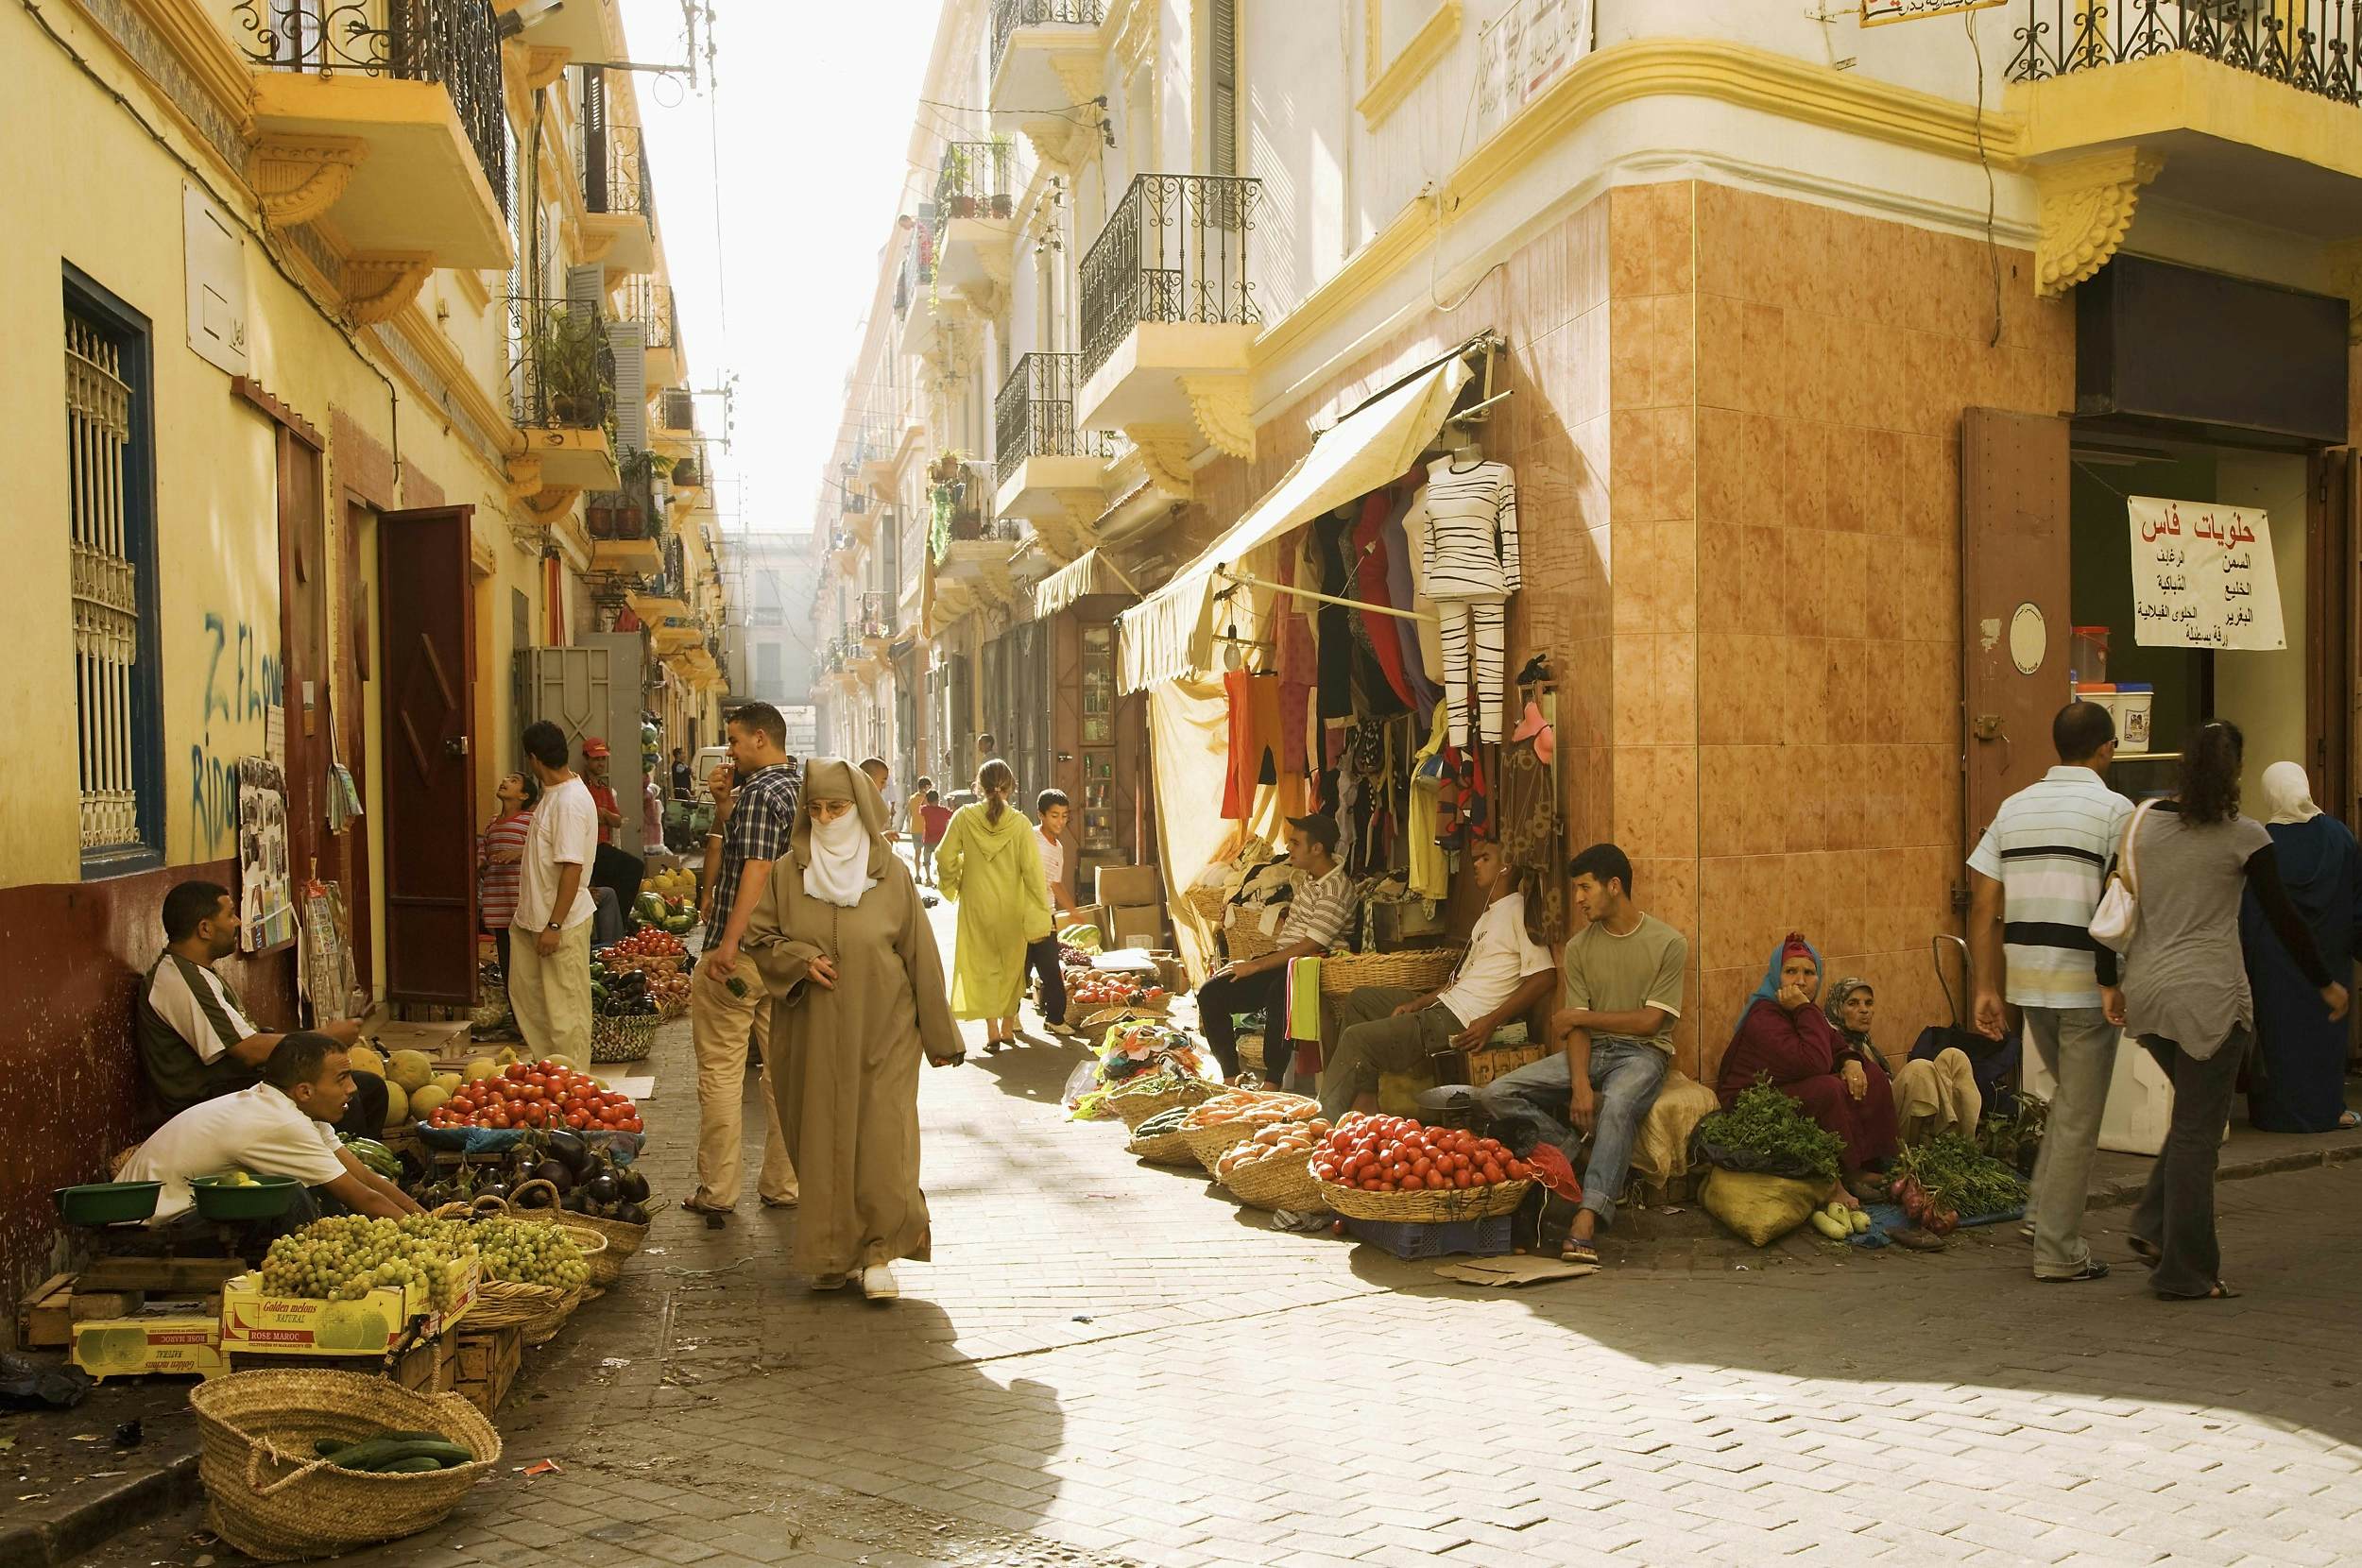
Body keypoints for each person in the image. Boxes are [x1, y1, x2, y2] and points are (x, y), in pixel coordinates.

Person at [2097, 722, 2347, 1301]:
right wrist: (2325, 984)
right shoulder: (2246, 837)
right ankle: (2185, 1270)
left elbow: (2109, 897)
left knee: (2193, 1121)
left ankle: (2154, 1225)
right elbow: (2285, 919)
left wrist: (2108, 982)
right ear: (2234, 774)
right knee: (2197, 1134)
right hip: (2211, 1003)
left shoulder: (2142, 822)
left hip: (2150, 995)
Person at [743, 759, 964, 1300]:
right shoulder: (787, 875)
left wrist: (941, 1037)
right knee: (818, 1142)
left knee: (884, 1140)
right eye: (815, 809)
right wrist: (797, 959)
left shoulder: (891, 876)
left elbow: (921, 956)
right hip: (811, 1036)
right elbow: (760, 938)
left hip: (885, 1032)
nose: (825, 818)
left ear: (859, 810)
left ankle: (879, 1252)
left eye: (836, 808)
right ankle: (831, 1254)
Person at [1967, 700, 2132, 1284]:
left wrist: (1986, 986)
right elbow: (2124, 897)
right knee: (2081, 1114)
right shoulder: (2116, 810)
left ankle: (2042, 1214)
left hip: (2028, 978)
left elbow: (1985, 902)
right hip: (2087, 982)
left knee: (2068, 1101)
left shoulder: (2014, 807)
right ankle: (2059, 1251)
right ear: (2106, 748)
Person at [1478, 844, 1684, 1266]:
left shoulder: (1668, 943)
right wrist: (1580, 1086)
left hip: (1643, 1055)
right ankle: (1576, 1154)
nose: (1578, 899)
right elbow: (1575, 1029)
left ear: (1614, 886)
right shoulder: (1579, 948)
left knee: (1620, 1104)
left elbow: (1649, 1023)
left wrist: (1581, 1017)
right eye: (1576, 889)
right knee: (1495, 1093)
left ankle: (1588, 1216)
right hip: (1592, 1052)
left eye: (1585, 887)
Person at [1322, 838, 1556, 1121]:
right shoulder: (1488, 918)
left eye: (1485, 859)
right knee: (1361, 1000)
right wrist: (1419, 1002)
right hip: (1444, 1006)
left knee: (1356, 1039)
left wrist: (1490, 1022)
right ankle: (1368, 1099)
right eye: (1475, 860)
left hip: (1461, 1019)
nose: (1476, 866)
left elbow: (1545, 976)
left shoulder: (1519, 910)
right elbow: (1459, 979)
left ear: (1506, 866)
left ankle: (1322, 1122)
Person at [137, 880, 384, 1138]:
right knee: (339, 1099)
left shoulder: (198, 972)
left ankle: (373, 1167)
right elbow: (249, 1050)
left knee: (368, 1089)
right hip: (210, 1100)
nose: (237, 923)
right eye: (230, 914)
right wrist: (325, 1037)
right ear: (205, 928)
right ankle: (336, 1176)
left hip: (237, 1086)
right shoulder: (179, 979)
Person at [123, 1033, 422, 1235]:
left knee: (311, 1194)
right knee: (294, 1196)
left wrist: (427, 1218)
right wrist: (429, 1240)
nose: (353, 1089)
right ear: (305, 1090)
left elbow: (366, 1178)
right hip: (147, 1228)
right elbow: (362, 1197)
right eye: (342, 1079)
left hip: (182, 1214)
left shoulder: (292, 1107)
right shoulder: (280, 1122)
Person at [686, 701, 802, 1218]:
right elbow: (763, 849)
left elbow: (755, 870)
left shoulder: (759, 792)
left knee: (720, 1074)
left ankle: (718, 1191)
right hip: (786, 957)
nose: (729, 751)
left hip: (742, 956)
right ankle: (784, 1183)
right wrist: (722, 804)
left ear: (760, 738)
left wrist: (727, 945)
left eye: (733, 741)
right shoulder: (800, 790)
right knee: (783, 1075)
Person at [1717, 935, 1896, 1196]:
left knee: (1873, 1073)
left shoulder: (1807, 1011)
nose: (1800, 981)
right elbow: (1813, 1063)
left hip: (1791, 1087)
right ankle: (1846, 1173)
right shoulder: (1764, 1016)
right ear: (1776, 976)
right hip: (1753, 1103)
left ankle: (1877, 1162)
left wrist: (1851, 1062)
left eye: (1809, 973)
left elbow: (1835, 1046)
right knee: (1826, 1088)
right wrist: (1804, 1008)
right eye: (1790, 972)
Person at [2242, 760, 2361, 1133]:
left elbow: (2251, 909)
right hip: (2330, 955)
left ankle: (2277, 1112)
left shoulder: (2261, 842)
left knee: (2280, 1035)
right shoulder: (2339, 836)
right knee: (2325, 1035)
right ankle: (2329, 1110)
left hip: (2276, 960)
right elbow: (2355, 895)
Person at [1196, 814, 1354, 1087]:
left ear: (1317, 849)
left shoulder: (1336, 888)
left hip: (1316, 966)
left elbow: (1311, 945)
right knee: (1211, 993)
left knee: (1280, 990)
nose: (1289, 847)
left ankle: (1272, 1082)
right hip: (1290, 961)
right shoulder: (1310, 877)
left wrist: (1255, 965)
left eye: (1295, 842)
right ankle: (1231, 1078)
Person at [936, 758, 1053, 1052]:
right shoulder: (1021, 823)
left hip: (976, 906)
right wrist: (1040, 908)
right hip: (1012, 908)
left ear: (979, 786)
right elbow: (1033, 873)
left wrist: (956, 879)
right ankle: (1007, 1027)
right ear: (1010, 788)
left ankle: (992, 1032)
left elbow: (943, 857)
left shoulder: (963, 817)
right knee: (1011, 968)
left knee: (984, 966)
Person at [510, 721, 599, 1063]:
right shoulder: (553, 796)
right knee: (535, 1007)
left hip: (560, 924)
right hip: (535, 922)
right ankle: (550, 1079)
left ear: (534, 759)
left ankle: (575, 1086)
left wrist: (555, 925)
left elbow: (572, 868)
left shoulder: (569, 802)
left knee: (566, 1014)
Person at [1822, 978, 1981, 1145]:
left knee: (1954, 1057)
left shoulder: (1863, 1042)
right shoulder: (1833, 1045)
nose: (1864, 1010)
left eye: (1868, 1003)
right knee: (1919, 1070)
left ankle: (1964, 1144)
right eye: (1853, 1004)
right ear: (1837, 1009)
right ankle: (1930, 1146)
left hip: (1892, 1110)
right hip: (1879, 1128)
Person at [478, 772, 538, 979]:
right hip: (498, 901)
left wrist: (518, 853)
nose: (504, 781)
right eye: (506, 779)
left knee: (525, 958)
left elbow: (542, 850)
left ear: (523, 796)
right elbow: (484, 851)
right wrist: (480, 863)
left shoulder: (530, 821)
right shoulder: (493, 823)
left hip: (520, 901)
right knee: (506, 959)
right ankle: (513, 1005)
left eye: (513, 781)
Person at [1029, 790, 1078, 1039]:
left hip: (1046, 915)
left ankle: (1055, 1019)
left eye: (1064, 816)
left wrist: (1069, 909)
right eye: (1054, 816)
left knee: (1050, 969)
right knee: (1019, 971)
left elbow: (1055, 883)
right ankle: (1010, 1017)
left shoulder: (1058, 847)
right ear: (1041, 815)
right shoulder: (1030, 839)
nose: (1060, 821)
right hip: (1024, 914)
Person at [916, 789, 952, 884]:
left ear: (928, 800)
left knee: (927, 861)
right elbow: (952, 814)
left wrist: (925, 798)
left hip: (928, 840)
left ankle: (928, 878)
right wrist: (952, 804)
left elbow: (920, 808)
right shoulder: (943, 810)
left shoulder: (925, 810)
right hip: (940, 841)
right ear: (938, 799)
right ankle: (941, 879)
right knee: (940, 861)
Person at [904, 776, 934, 849]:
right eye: (929, 787)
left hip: (914, 828)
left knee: (917, 852)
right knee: (927, 852)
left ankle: (917, 861)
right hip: (925, 829)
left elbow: (909, 813)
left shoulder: (912, 798)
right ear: (926, 787)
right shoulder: (927, 799)